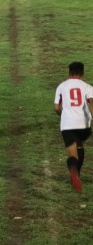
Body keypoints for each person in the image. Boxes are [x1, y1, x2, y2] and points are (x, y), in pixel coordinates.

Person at [54, 61, 93, 193]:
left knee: (72, 153)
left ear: (69, 73)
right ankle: (77, 176)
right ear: (82, 73)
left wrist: (63, 115)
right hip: (84, 126)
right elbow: (92, 104)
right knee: (79, 145)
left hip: (68, 125)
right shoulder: (88, 87)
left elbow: (56, 107)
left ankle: (74, 173)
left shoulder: (61, 86)